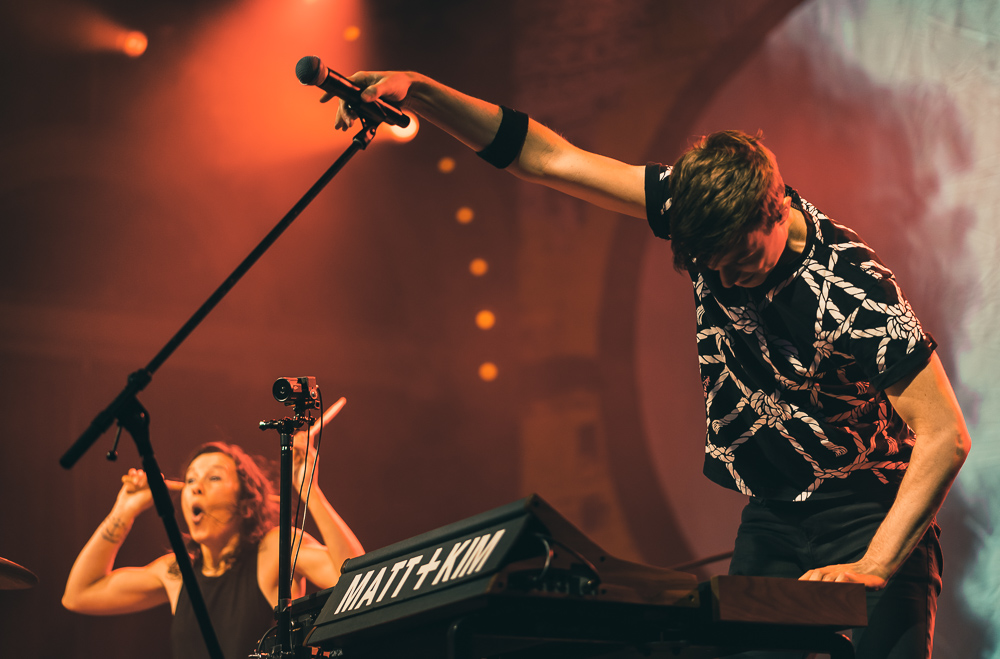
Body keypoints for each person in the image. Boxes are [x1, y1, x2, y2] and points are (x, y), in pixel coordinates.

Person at [327, 72, 971, 658]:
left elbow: (946, 434)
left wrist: (875, 565)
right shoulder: (693, 206)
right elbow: (547, 157)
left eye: (739, 259)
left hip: (872, 517)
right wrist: (422, 92)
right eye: (708, 265)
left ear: (774, 209)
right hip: (773, 519)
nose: (724, 277)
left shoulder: (855, 288)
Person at [62, 437, 364, 659]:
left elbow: (355, 578)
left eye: (214, 477)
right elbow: (79, 594)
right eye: (191, 479)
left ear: (246, 504)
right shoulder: (177, 573)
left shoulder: (273, 550)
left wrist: (310, 490)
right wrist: (123, 511)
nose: (196, 486)